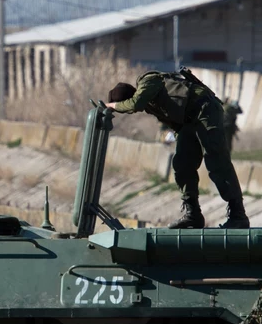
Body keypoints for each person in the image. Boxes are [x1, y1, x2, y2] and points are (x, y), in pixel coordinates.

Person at [107, 70, 249, 229]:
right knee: (182, 164)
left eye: (122, 105)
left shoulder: (147, 81)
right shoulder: (150, 104)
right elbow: (175, 123)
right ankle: (193, 215)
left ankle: (238, 215)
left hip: (204, 108)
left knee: (216, 160)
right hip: (188, 121)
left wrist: (112, 106)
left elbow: (135, 104)